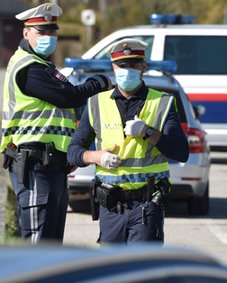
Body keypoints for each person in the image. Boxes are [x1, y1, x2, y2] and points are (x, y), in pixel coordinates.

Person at [0, 3, 112, 244]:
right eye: (41, 32)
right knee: (38, 244)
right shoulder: (28, 67)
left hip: (53, 164)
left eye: (52, 32)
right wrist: (99, 82)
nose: (48, 38)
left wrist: (67, 154)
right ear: (26, 32)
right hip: (33, 164)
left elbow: (61, 113)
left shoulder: (44, 67)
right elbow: (67, 96)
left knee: (51, 246)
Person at [67, 38, 189, 244]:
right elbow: (73, 151)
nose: (127, 70)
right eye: (122, 66)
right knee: (113, 270)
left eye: (133, 65)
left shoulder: (162, 102)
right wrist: (97, 156)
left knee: (141, 271)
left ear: (143, 66)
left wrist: (149, 132)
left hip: (147, 205)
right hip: (110, 206)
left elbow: (180, 151)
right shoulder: (97, 102)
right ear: (114, 67)